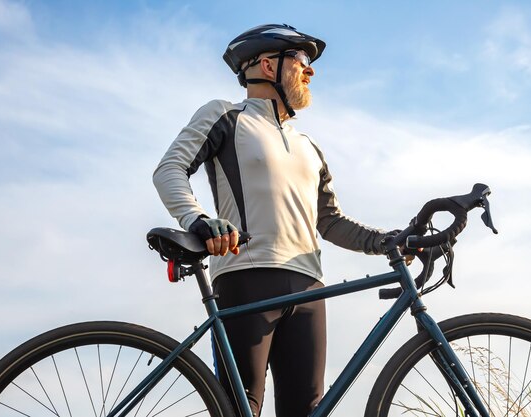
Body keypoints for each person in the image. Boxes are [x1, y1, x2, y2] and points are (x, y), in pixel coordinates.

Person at [153, 23, 395, 417]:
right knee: (238, 407)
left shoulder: (308, 146)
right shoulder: (226, 116)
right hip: (247, 276)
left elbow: (330, 221)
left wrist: (388, 240)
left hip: (309, 289)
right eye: (301, 60)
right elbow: (169, 170)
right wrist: (198, 219)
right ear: (267, 65)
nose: (310, 70)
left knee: (307, 410)